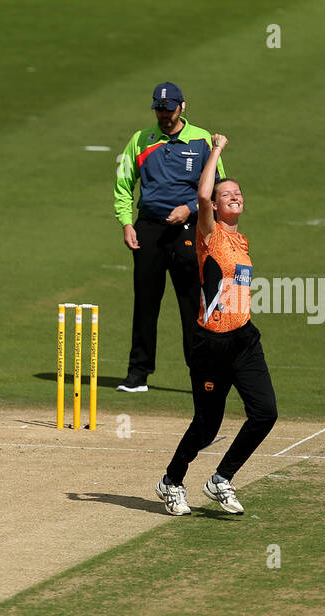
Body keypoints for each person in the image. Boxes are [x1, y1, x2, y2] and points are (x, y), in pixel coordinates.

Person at [155, 135, 277, 516]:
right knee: (207, 427)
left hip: (244, 339)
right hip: (210, 345)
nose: (234, 196)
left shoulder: (241, 241)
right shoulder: (209, 235)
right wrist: (217, 151)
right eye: (228, 194)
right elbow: (203, 197)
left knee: (265, 412)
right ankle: (171, 482)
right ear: (216, 205)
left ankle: (221, 479)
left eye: (238, 192)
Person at [114, 82, 223, 392]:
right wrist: (126, 222)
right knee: (146, 302)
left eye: (169, 108)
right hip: (149, 227)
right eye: (159, 109)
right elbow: (123, 183)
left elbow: (216, 187)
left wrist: (189, 210)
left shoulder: (202, 140)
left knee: (191, 303)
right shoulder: (141, 140)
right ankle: (138, 374)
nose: (164, 114)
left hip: (187, 229)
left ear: (182, 107)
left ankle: (200, 375)